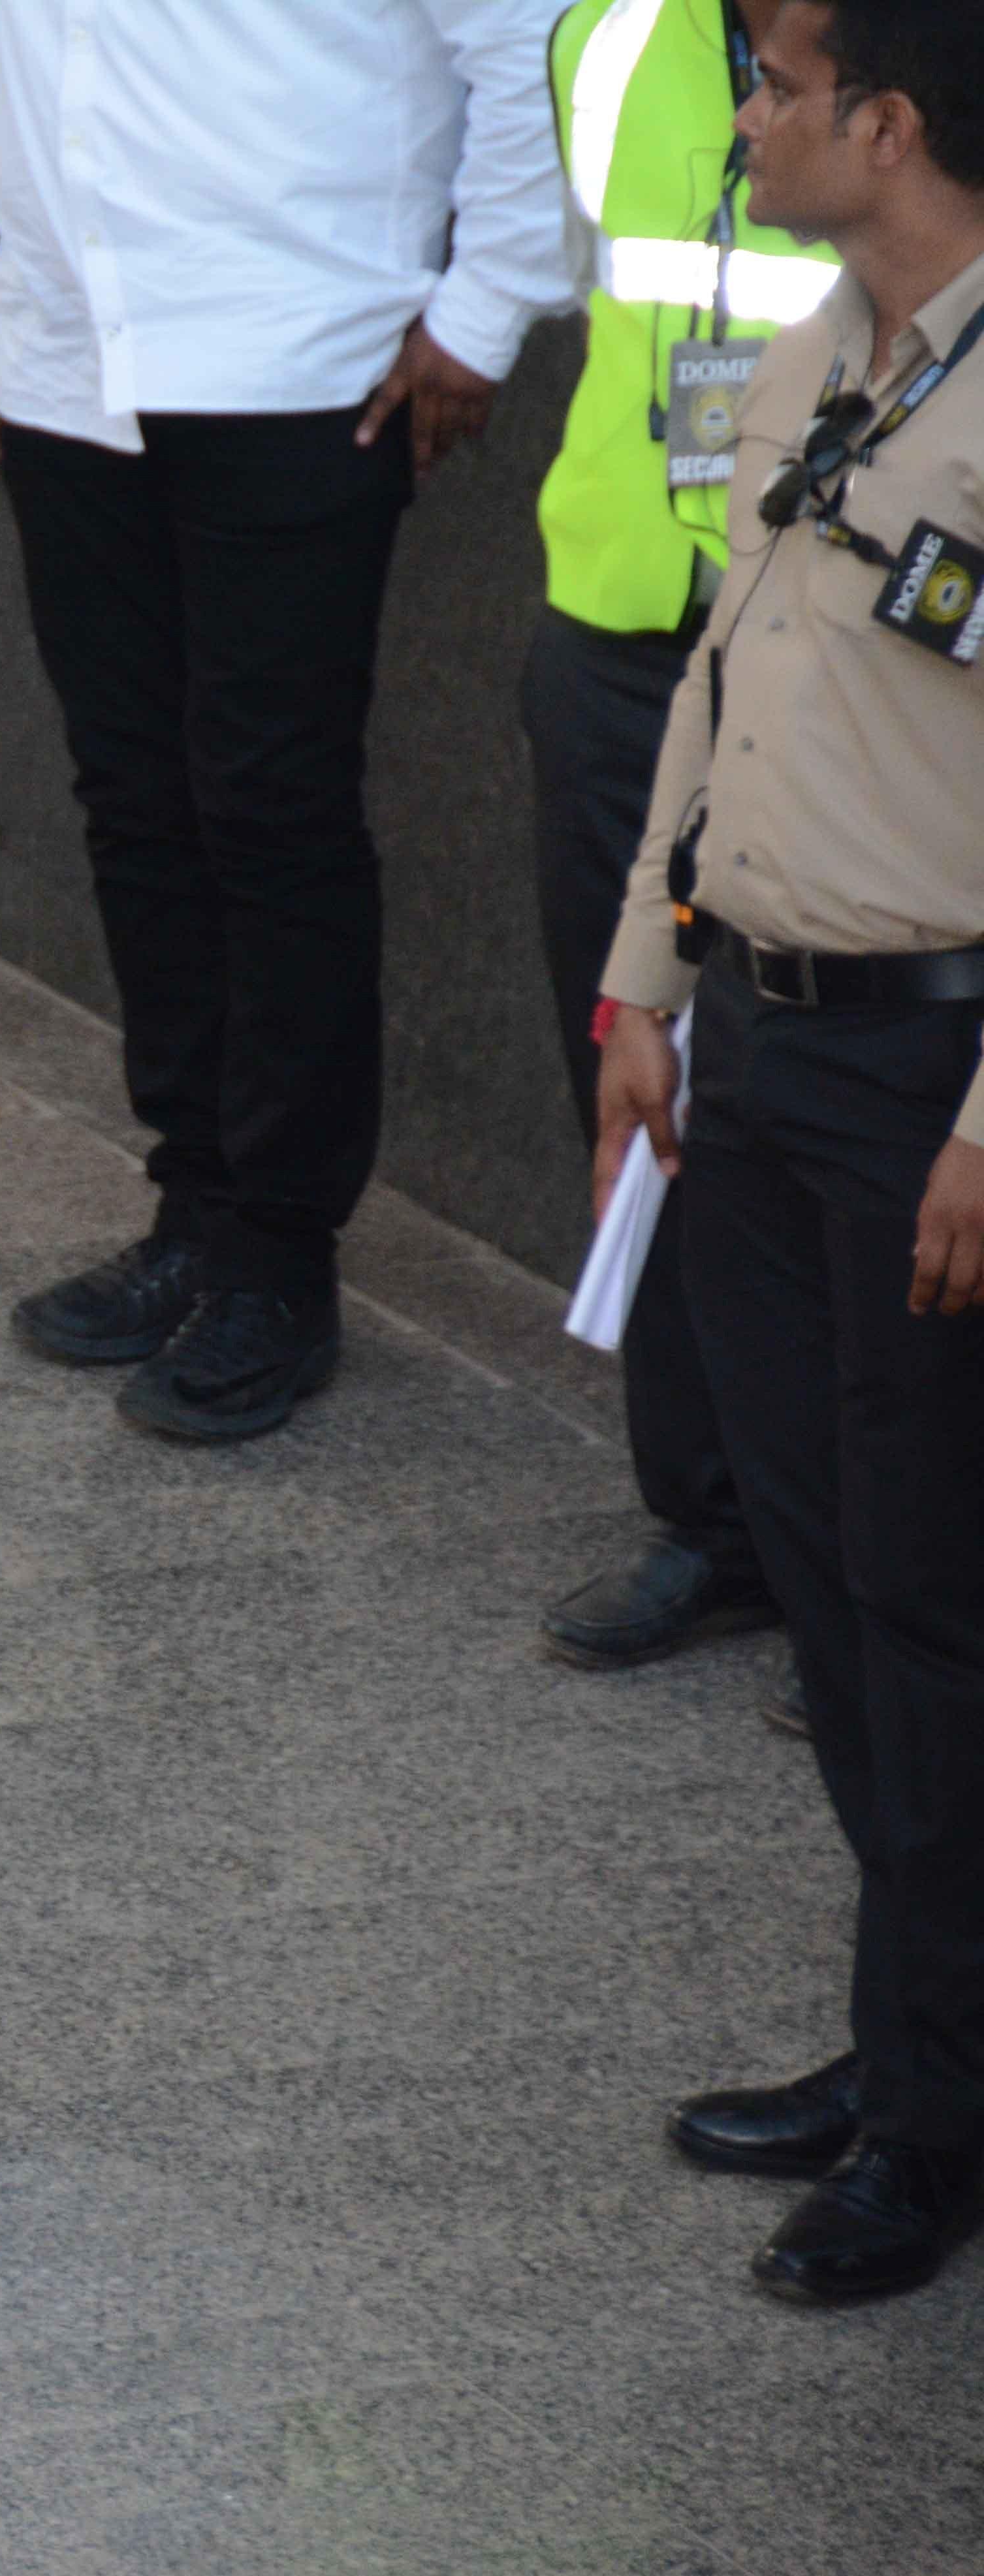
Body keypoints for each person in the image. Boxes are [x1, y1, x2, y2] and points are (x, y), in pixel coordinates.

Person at [0, 0, 573, 1438]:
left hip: (305, 358)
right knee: (134, 799)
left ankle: (280, 1256)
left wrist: (485, 305)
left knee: (273, 808)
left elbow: (523, 39)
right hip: (66, 357)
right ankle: (194, 1201)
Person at [593, 0, 984, 2305]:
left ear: (893, 119)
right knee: (827, 1589)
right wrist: (648, 973)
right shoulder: (816, 357)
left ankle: (932, 2126)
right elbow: (716, 680)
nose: (744, 120)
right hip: (758, 1040)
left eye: (776, 86)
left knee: (931, 1604)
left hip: (930, 1083)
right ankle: (912, 2038)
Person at [533, 0, 837, 1673]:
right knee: (630, 1072)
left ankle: (860, 1565)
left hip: (817, 625)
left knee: (835, 1108)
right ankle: (710, 1518)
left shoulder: (889, 52)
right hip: (615, 608)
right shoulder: (609, 30)